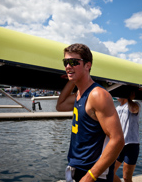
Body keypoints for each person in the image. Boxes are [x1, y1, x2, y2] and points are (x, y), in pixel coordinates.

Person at [56, 43, 125, 182]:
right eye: (66, 62)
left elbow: (118, 140)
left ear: (88, 65)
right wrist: (72, 77)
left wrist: (90, 177)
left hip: (93, 175)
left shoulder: (98, 95)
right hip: (77, 168)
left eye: (74, 62)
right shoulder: (79, 94)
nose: (68, 66)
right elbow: (60, 105)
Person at [113, 92, 140, 182]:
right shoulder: (116, 108)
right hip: (119, 144)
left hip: (131, 145)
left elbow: (134, 110)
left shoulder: (134, 105)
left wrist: (128, 98)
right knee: (109, 173)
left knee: (126, 178)